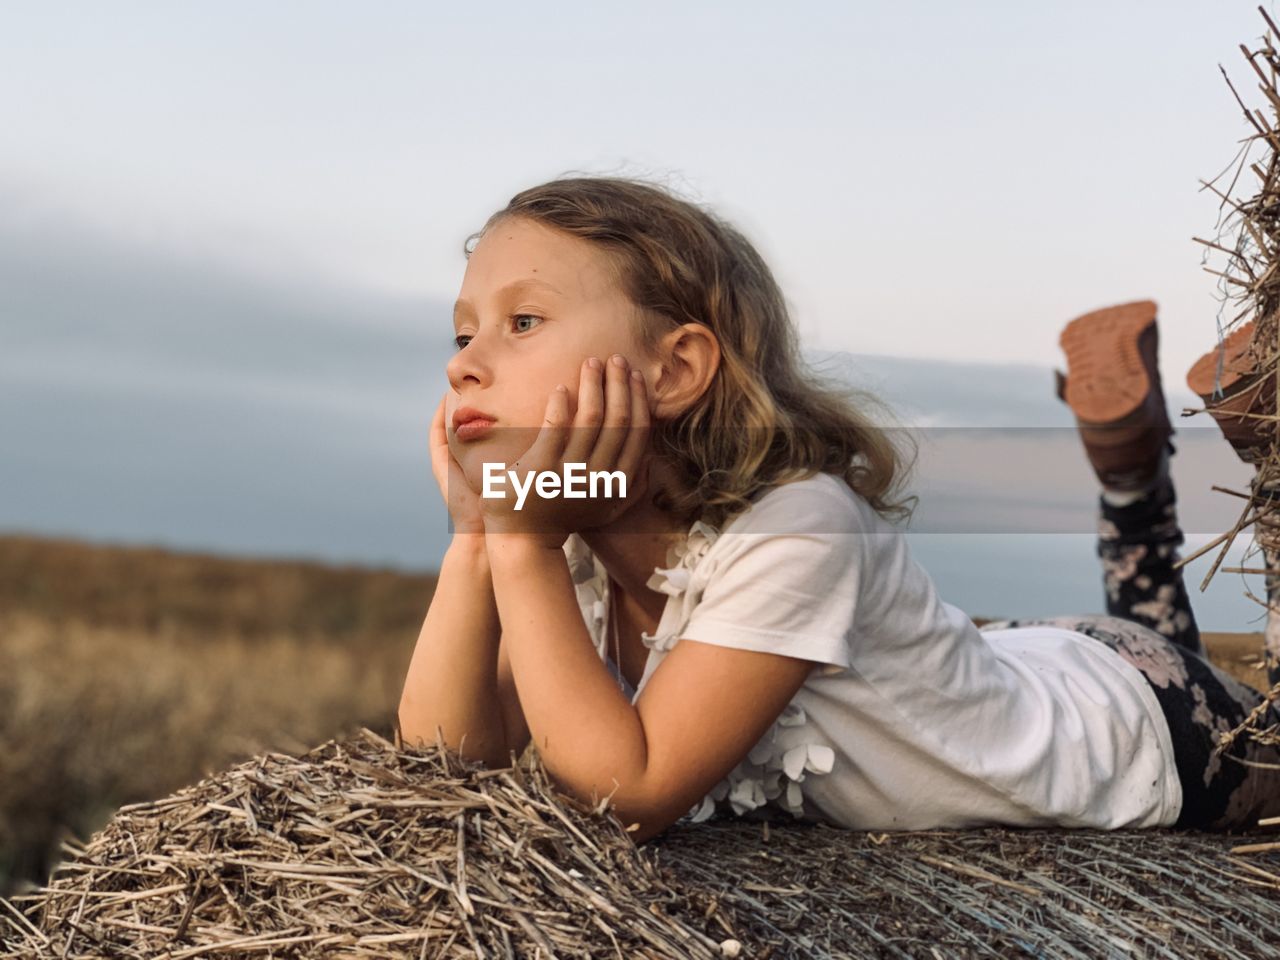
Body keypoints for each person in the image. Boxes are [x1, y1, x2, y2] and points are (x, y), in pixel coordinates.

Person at [397, 175, 1280, 843]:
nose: (464, 364)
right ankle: (1129, 476)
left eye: (522, 324)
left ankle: (1262, 457)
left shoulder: (798, 522)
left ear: (673, 371)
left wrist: (512, 547)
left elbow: (633, 790)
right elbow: (448, 764)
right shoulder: (571, 542)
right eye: (463, 331)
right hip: (1013, 652)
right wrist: (476, 544)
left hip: (1133, 722)